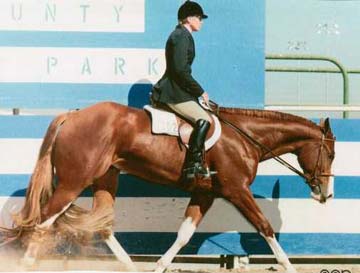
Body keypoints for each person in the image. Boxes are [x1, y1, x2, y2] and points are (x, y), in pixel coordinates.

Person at [151, 1, 211, 180]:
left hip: (178, 90)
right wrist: (200, 91)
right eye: (199, 18)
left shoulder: (182, 35)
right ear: (189, 18)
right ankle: (193, 164)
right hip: (173, 92)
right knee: (204, 119)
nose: (201, 22)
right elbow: (180, 70)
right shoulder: (181, 36)